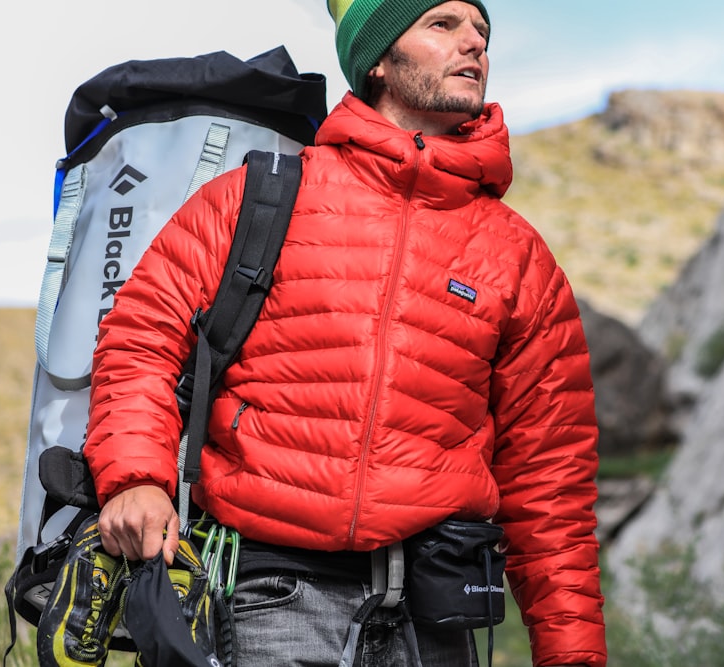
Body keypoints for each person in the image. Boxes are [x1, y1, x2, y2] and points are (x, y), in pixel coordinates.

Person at [85, 1, 607, 665]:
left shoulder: (517, 255)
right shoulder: (256, 198)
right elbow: (140, 337)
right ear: (379, 60)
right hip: (269, 597)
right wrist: (136, 476)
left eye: (481, 31)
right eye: (442, 26)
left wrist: (574, 654)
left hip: (436, 617)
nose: (473, 42)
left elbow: (550, 479)